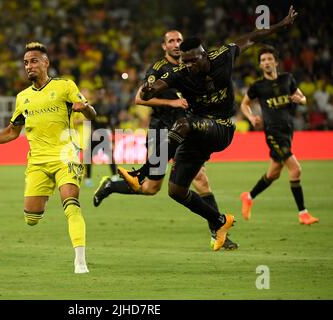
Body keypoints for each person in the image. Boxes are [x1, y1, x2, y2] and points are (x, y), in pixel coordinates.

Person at [140, 6, 298, 251]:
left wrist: (281, 25)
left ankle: (144, 170)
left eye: (194, 60)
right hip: (195, 131)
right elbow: (152, 89)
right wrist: (149, 88)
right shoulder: (181, 72)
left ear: (205, 54)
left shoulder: (223, 55)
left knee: (182, 123)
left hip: (221, 127)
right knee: (176, 191)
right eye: (186, 62)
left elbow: (253, 37)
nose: (190, 65)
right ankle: (219, 221)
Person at [93, 30, 238, 250]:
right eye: (171, 41)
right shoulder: (159, 69)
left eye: (179, 40)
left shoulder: (191, 65)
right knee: (152, 188)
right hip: (161, 129)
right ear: (164, 46)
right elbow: (139, 99)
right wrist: (172, 104)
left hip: (188, 127)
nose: (176, 44)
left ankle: (218, 231)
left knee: (201, 179)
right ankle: (113, 184)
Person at [0, 42, 97, 273]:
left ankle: (80, 260)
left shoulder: (65, 86)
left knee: (71, 204)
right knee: (31, 218)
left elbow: (92, 113)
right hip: (37, 161)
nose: (29, 66)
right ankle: (46, 189)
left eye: (34, 61)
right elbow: (12, 131)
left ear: (46, 63)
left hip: (65, 156)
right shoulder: (22, 97)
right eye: (26, 63)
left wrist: (84, 108)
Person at [239, 45, 319, 225]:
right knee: (295, 169)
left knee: (273, 174)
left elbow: (303, 98)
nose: (266, 63)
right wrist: (251, 117)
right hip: (273, 133)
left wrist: (301, 100)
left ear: (276, 61)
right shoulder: (257, 86)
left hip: (288, 131)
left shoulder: (287, 79)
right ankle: (303, 214)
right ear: (260, 65)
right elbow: (244, 104)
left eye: (269, 59)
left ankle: (248, 196)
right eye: (263, 60)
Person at [83, 88, 119, 187]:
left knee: (110, 156)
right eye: (98, 94)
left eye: (102, 94)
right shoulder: (92, 107)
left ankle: (115, 176)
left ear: (104, 95)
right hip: (94, 135)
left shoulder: (109, 108)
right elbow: (88, 122)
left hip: (104, 135)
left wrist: (113, 138)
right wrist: (91, 133)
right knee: (88, 157)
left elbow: (111, 123)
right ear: (95, 95)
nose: (100, 96)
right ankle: (88, 178)